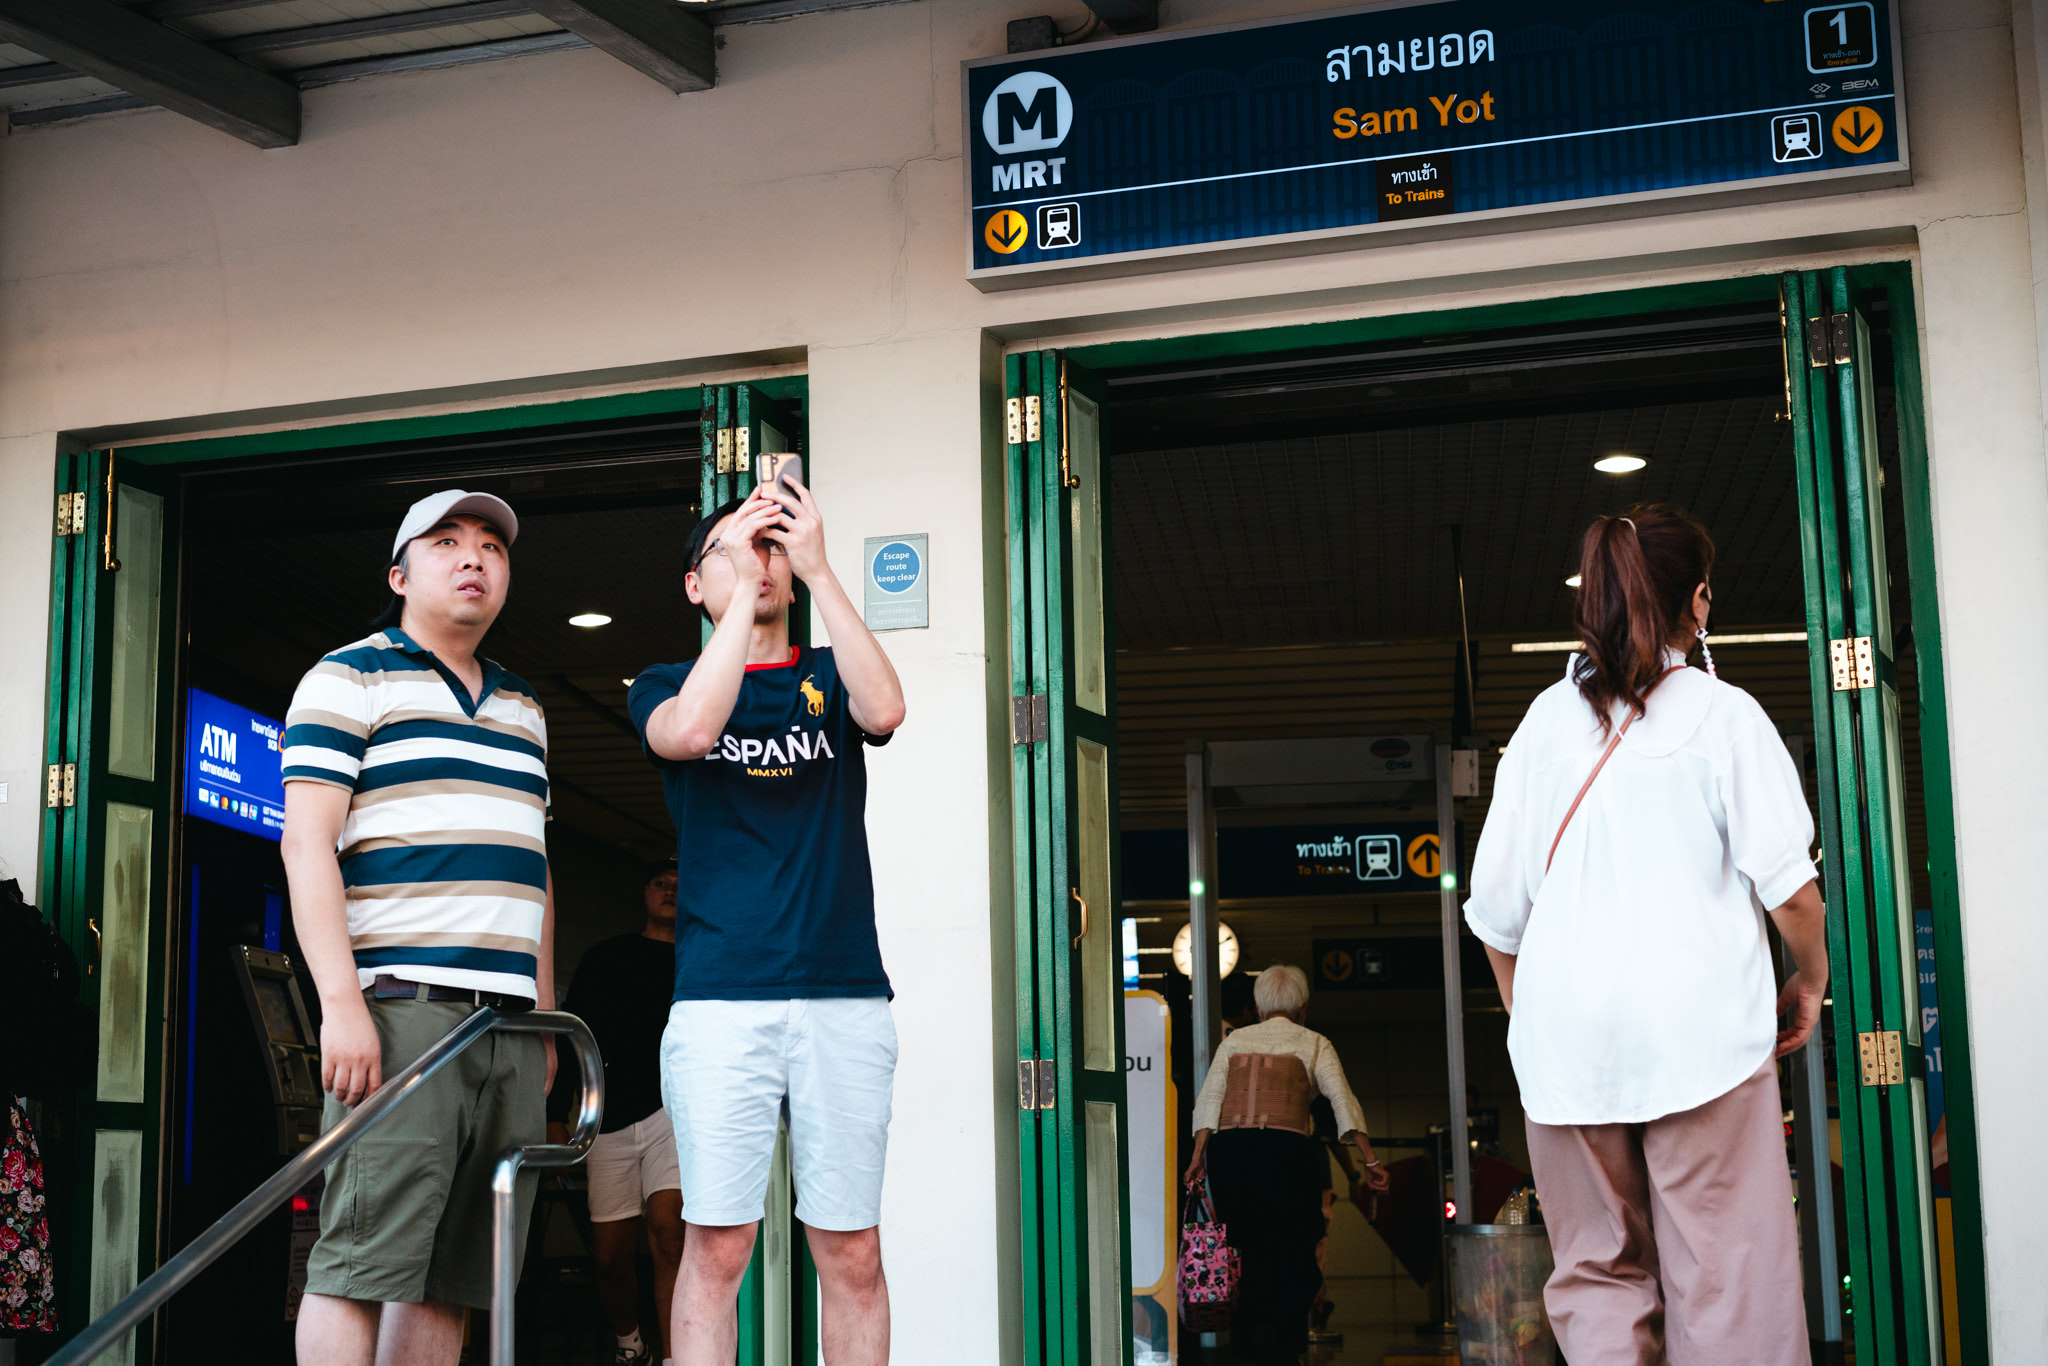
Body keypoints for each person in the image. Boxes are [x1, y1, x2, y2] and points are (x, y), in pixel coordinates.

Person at [1464, 504, 1827, 1365]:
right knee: (1726, 1278)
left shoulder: (1541, 729)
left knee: (1597, 1283)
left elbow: (1493, 913)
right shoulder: (1725, 716)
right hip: (1701, 1042)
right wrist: (1807, 980)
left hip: (1565, 1063)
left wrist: (1535, 1022)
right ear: (1698, 602)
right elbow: (1794, 898)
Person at [628, 473, 906, 1366]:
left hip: (843, 996)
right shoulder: (667, 682)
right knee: (717, 1245)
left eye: (774, 547)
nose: (763, 562)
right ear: (694, 585)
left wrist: (821, 572)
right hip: (720, 1004)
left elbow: (887, 710)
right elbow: (691, 734)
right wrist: (744, 596)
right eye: (739, 550)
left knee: (852, 1251)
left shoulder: (828, 672)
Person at [282, 490, 558, 1366]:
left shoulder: (524, 707)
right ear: (400, 576)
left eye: (491, 546)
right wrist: (342, 1005)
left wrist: (545, 1020)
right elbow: (305, 846)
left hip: (509, 1025)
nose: (474, 557)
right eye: (447, 542)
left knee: (457, 1278)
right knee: (360, 1265)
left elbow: (531, 868)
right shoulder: (348, 676)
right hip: (402, 1014)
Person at [1185, 965, 1390, 1366]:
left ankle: (1247, 1342)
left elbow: (1209, 1100)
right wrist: (1370, 1159)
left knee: (1242, 1247)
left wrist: (1197, 1158)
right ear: (1304, 1007)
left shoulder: (1235, 1041)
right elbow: (1342, 1101)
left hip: (1232, 1152)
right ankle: (1280, 1341)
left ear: (1259, 1007)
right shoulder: (1314, 1043)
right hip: (1287, 1152)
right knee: (1294, 1246)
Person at [547, 860, 685, 1366]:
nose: (670, 892)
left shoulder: (701, 961)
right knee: (609, 1256)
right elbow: (572, 1036)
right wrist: (555, 1112)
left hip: (673, 1111)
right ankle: (631, 1347)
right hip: (607, 1117)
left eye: (678, 885)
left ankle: (677, 1356)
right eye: (660, 884)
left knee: (671, 1233)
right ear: (645, 892)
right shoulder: (606, 958)